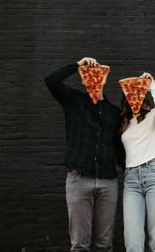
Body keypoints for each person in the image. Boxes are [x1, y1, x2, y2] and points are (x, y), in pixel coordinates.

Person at [44, 57, 123, 252]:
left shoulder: (114, 112)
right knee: (79, 246)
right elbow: (51, 80)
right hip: (79, 180)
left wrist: (132, 171)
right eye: (88, 75)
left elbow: (118, 148)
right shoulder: (73, 101)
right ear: (83, 79)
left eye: (98, 75)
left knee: (105, 245)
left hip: (108, 182)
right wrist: (78, 65)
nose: (94, 78)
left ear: (104, 78)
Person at [119, 72, 155, 252]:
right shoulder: (125, 123)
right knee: (132, 241)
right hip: (131, 180)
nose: (134, 97)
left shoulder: (153, 117)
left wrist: (151, 84)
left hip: (154, 174)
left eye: (138, 93)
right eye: (130, 94)